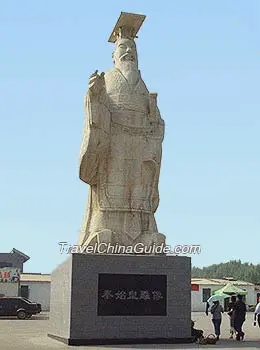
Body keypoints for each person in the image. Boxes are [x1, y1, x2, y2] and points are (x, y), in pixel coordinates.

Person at [78, 13, 165, 248]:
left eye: (133, 50)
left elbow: (157, 122)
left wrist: (155, 121)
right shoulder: (107, 79)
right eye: (124, 48)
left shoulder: (142, 85)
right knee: (111, 189)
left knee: (140, 190)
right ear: (114, 55)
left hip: (140, 146)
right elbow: (97, 114)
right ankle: (102, 230)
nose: (129, 53)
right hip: (115, 142)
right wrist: (94, 97)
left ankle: (144, 233)